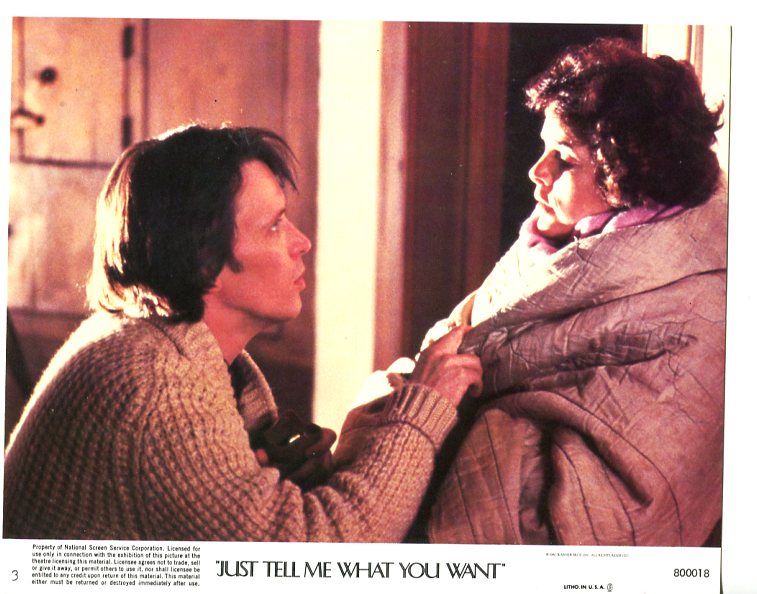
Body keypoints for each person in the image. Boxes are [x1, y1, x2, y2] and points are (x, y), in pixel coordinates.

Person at [3, 124, 483, 541]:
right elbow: (320, 556)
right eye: (274, 226)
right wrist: (424, 406)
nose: (301, 242)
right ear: (203, 260)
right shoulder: (154, 385)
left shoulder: (171, 344)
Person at [413, 38, 726, 546]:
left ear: (628, 173)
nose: (537, 171)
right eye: (544, 148)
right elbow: (472, 328)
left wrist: (437, 410)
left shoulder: (698, 302)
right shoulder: (562, 237)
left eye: (563, 158)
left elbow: (613, 509)